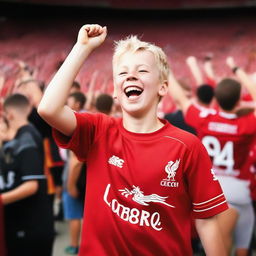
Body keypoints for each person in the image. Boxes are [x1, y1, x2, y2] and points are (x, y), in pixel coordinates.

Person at [38, 24, 228, 256]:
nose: (130, 75)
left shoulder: (187, 146)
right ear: (116, 92)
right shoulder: (99, 130)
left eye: (143, 71)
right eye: (122, 72)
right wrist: (82, 48)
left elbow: (207, 221)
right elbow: (48, 108)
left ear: (162, 87)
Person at [169, 57, 256, 256]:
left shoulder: (205, 118)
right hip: (238, 189)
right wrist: (235, 67)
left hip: (212, 186)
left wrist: (166, 68)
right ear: (237, 100)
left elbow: (180, 99)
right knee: (240, 245)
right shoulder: (247, 123)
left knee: (221, 244)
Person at [0, 94, 54, 256]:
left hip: (30, 225)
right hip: (21, 222)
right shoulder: (19, 137)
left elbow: (31, 185)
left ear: (9, 114)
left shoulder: (26, 139)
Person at [63, 91, 86, 255]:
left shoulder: (77, 121)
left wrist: (70, 185)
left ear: (77, 103)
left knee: (74, 214)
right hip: (85, 179)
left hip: (75, 179)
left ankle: (74, 245)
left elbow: (76, 160)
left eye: (70, 99)